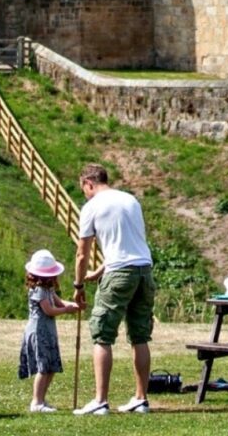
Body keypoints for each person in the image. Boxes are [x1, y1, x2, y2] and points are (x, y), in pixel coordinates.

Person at [72, 163, 155, 415]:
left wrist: (78, 285)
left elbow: (81, 253)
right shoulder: (131, 201)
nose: (84, 193)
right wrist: (98, 272)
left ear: (88, 183)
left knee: (102, 334)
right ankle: (141, 398)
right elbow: (128, 244)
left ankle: (100, 400)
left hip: (119, 273)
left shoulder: (91, 207)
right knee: (140, 336)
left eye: (83, 189)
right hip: (144, 271)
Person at [20, 249, 82, 413]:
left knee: (51, 366)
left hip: (48, 330)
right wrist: (66, 311)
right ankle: (36, 402)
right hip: (39, 330)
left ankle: (42, 399)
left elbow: (59, 302)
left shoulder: (48, 289)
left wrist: (74, 306)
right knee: (43, 367)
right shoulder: (38, 290)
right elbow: (49, 310)